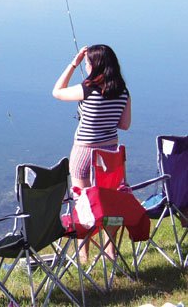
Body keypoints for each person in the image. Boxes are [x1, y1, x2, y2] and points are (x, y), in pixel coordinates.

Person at [52, 44, 131, 260]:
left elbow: (57, 92)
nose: (85, 67)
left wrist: (72, 63)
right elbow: (125, 125)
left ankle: (84, 254)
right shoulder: (123, 92)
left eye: (87, 63)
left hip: (84, 154)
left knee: (83, 203)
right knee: (108, 202)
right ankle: (110, 251)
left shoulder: (87, 89)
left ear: (95, 66)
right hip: (110, 156)